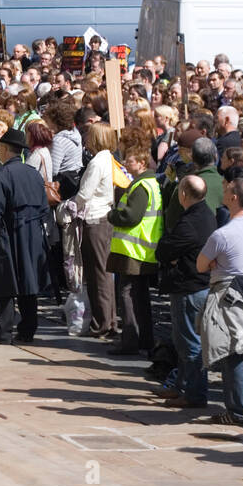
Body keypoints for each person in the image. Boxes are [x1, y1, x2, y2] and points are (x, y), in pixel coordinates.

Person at [197, 178, 243, 425]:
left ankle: (237, 412)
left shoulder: (222, 233)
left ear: (234, 197)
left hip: (228, 293)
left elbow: (201, 264)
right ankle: (241, 406)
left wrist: (216, 262)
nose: (224, 192)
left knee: (234, 352)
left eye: (228, 190)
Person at [156, 175, 218, 409]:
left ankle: (194, 394)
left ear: (183, 194)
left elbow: (164, 250)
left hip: (189, 288)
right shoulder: (206, 215)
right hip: (198, 284)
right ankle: (179, 385)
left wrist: (170, 254)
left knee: (189, 344)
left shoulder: (190, 222)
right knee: (183, 341)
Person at [0, 127, 51, 343]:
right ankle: (28, 329)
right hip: (32, 233)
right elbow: (43, 206)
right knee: (28, 281)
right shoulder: (33, 174)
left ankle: (4, 330)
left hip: (9, 232)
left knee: (5, 280)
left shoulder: (1, 175)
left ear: (5, 149)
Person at [107, 146, 162, 355]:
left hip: (133, 249)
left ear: (141, 163)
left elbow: (131, 216)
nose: (126, 164)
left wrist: (112, 215)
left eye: (129, 160)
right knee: (140, 296)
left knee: (127, 294)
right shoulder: (151, 183)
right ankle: (144, 339)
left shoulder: (140, 186)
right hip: (142, 248)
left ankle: (130, 340)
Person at [76, 123, 119, 336]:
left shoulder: (97, 162)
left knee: (98, 273)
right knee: (103, 272)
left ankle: (102, 322)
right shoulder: (108, 159)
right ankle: (107, 319)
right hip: (103, 217)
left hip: (95, 219)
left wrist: (70, 205)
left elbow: (85, 194)